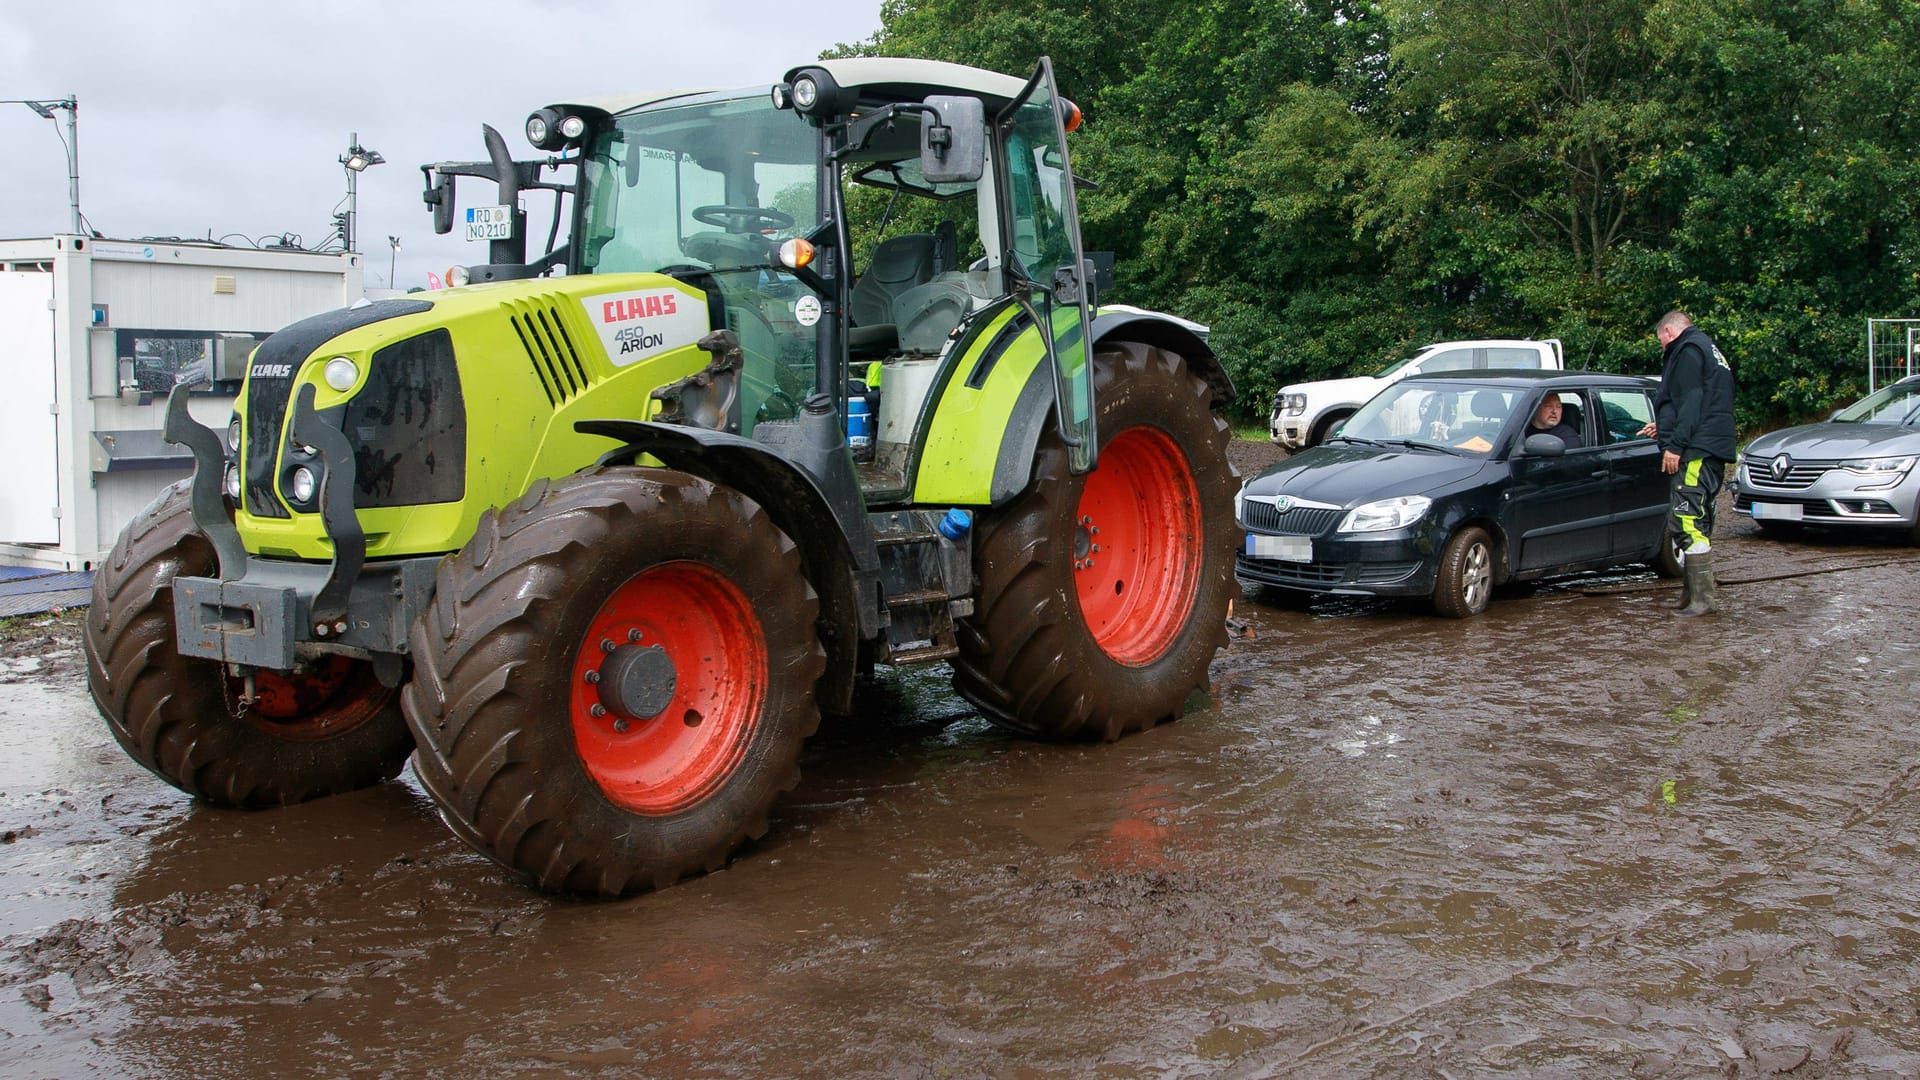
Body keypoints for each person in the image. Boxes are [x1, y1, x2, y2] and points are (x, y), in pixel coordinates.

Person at [1636, 310, 1736, 615]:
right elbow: (1702, 402)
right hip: (1710, 446)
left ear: (1668, 331)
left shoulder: (1688, 351)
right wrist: (1663, 427)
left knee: (1686, 522)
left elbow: (1692, 401)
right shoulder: (1708, 350)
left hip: (1696, 451)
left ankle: (1702, 602)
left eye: (1661, 341)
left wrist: (1675, 445)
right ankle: (1691, 597)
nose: (1662, 347)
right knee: (1696, 521)